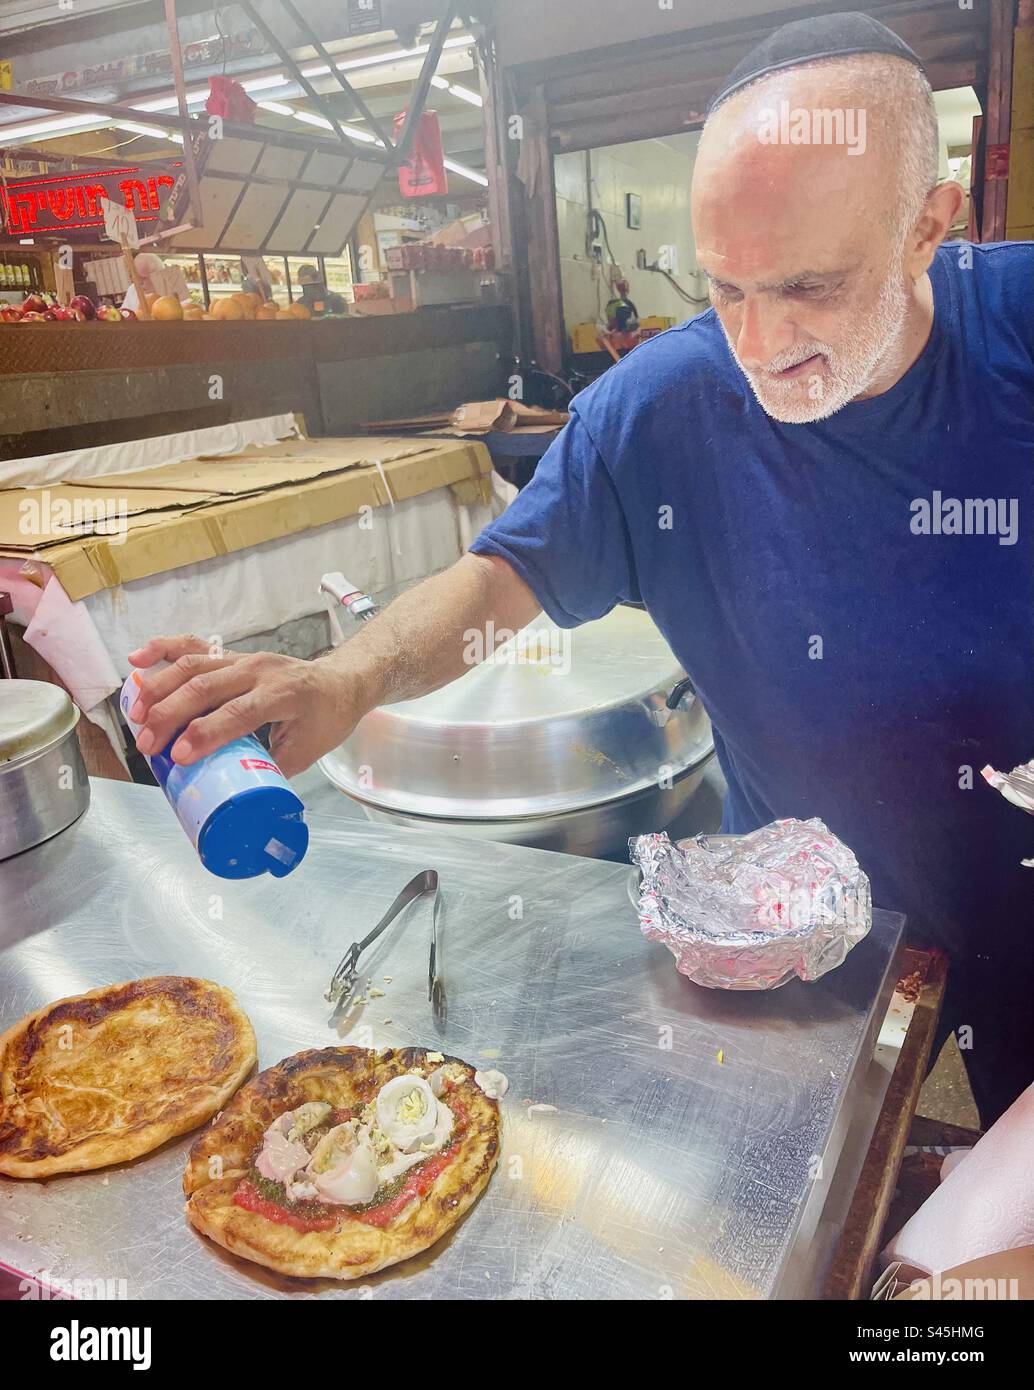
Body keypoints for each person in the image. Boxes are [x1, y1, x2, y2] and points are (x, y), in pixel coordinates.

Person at [127, 14, 1033, 1125]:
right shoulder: (661, 411)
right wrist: (343, 681)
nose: (759, 344)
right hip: (818, 943)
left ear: (926, 224)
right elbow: (499, 582)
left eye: (807, 287)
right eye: (725, 289)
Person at [121, 252, 190, 314]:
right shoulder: (133, 289)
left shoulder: (174, 287)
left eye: (144, 278)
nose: (140, 283)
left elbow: (187, 313)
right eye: (137, 278)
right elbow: (125, 313)